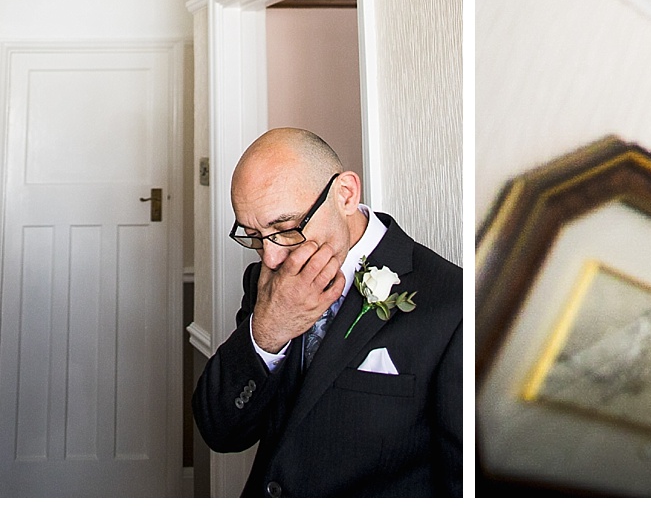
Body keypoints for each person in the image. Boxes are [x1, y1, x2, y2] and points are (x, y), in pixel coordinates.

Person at [193, 129, 461, 496]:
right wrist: (268, 331)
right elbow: (221, 431)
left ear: (345, 194)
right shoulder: (264, 281)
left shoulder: (452, 302)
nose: (271, 257)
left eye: (286, 228)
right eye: (253, 235)